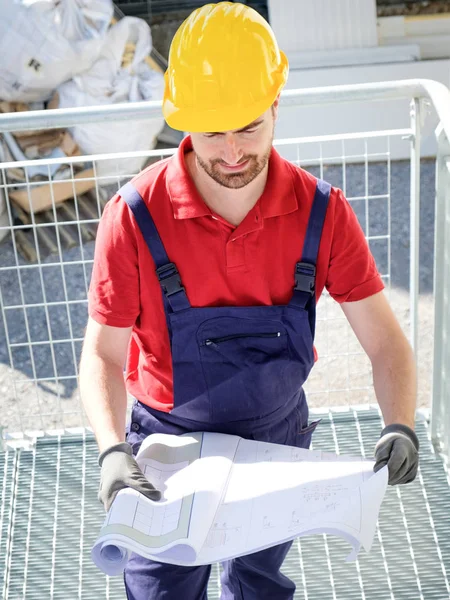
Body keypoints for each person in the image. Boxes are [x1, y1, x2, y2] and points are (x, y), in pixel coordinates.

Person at [79, 2, 419, 599]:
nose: (233, 152)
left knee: (258, 583)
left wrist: (401, 424)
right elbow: (104, 354)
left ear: (276, 106)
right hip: (169, 454)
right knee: (161, 589)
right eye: (213, 131)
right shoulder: (134, 218)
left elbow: (386, 341)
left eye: (250, 126)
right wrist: (111, 451)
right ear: (183, 123)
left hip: (275, 447)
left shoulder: (323, 214)